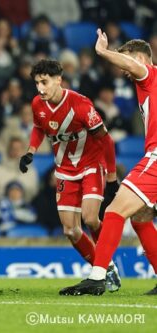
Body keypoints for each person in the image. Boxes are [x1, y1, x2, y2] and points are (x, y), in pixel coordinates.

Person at [60, 31, 157, 296]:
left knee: (114, 211)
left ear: (139, 58)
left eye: (125, 61)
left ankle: (98, 275)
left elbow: (135, 66)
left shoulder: (149, 75)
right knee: (140, 216)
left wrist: (104, 52)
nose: (123, 70)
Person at [19, 59, 121, 292]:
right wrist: (30, 152)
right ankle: (107, 268)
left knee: (91, 218)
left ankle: (103, 265)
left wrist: (113, 176)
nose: (40, 88)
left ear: (58, 80)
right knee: (70, 230)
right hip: (64, 169)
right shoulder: (37, 104)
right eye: (37, 83)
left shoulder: (81, 105)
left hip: (91, 165)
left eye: (44, 82)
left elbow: (106, 140)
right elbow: (38, 127)